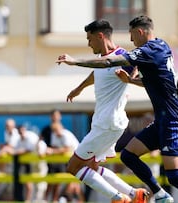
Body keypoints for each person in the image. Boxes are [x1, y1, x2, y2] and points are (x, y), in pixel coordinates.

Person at [56, 15, 178, 203]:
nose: (131, 41)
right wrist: (129, 80)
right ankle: (157, 194)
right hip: (161, 120)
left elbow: (109, 63)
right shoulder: (161, 46)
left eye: (131, 35)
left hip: (172, 120)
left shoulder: (148, 50)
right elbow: (152, 80)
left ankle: (124, 197)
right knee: (128, 156)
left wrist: (74, 62)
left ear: (140, 32)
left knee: (175, 177)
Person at [56, 19, 149, 203]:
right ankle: (134, 194)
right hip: (108, 122)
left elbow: (140, 72)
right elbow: (97, 72)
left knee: (73, 167)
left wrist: (131, 78)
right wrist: (80, 88)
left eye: (90, 39)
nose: (89, 44)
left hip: (107, 123)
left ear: (100, 36)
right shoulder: (104, 61)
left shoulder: (122, 56)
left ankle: (118, 198)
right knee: (91, 165)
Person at [46, 122, 83, 203]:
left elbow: (66, 149)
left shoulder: (66, 135)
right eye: (54, 130)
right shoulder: (54, 135)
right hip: (68, 160)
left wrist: (52, 152)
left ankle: (69, 197)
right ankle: (71, 198)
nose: (56, 132)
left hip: (78, 159)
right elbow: (55, 147)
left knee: (72, 181)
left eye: (57, 130)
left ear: (61, 128)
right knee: (72, 182)